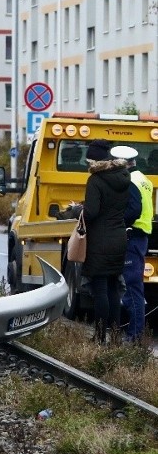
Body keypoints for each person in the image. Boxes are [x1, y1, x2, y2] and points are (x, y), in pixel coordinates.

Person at [82, 139, 131, 344]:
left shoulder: (96, 180)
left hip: (100, 240)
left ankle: (100, 336)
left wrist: (80, 210)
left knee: (100, 288)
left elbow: (92, 212)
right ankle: (116, 336)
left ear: (94, 159)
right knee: (113, 288)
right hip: (119, 237)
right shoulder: (124, 176)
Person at [111, 145, 153, 343]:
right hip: (141, 236)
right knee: (133, 287)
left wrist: (117, 223)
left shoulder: (130, 181)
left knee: (131, 288)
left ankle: (134, 336)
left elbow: (134, 209)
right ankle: (134, 334)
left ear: (123, 163)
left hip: (132, 236)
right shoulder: (144, 179)